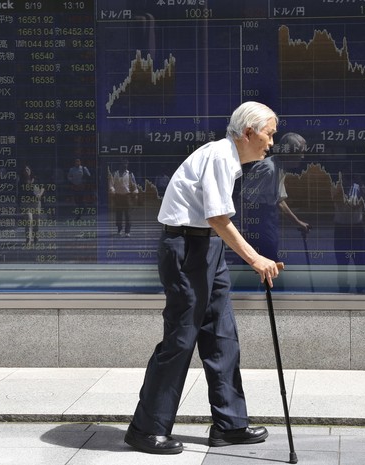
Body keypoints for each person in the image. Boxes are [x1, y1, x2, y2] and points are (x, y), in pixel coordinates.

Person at [124, 101, 282, 455]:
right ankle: (145, 429)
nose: (271, 143)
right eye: (269, 135)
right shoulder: (219, 157)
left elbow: (214, 226)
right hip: (186, 247)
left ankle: (230, 425)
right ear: (249, 132)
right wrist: (256, 259)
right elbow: (218, 218)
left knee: (222, 335)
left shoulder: (228, 161)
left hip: (207, 247)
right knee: (181, 339)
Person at [240, 132, 311, 260]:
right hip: (259, 221)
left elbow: (279, 200)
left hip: (269, 220)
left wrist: (297, 222)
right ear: (288, 153)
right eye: (299, 152)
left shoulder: (279, 168)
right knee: (265, 262)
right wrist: (244, 229)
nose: (302, 156)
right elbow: (245, 198)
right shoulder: (269, 169)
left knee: (267, 262)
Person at [330, 168, 365, 292]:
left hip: (354, 226)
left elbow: (364, 201)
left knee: (360, 260)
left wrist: (360, 184)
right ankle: (344, 286)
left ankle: (361, 286)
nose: (348, 180)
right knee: (342, 261)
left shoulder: (358, 188)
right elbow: (338, 200)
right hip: (343, 227)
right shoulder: (336, 187)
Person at [109, 158, 139, 237]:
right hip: (118, 196)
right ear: (120, 165)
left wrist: (135, 192)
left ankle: (127, 231)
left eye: (126, 164)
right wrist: (112, 191)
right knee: (118, 214)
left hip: (127, 196)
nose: (125, 165)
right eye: (123, 164)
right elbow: (111, 184)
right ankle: (119, 230)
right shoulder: (114, 174)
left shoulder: (130, 174)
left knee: (128, 215)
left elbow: (134, 185)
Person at [18, 165, 44, 246]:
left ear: (30, 170)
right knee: (28, 220)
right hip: (26, 203)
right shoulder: (21, 181)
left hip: (36, 203)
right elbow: (19, 193)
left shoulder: (36, 179)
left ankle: (36, 237)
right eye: (24, 170)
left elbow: (42, 187)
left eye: (27, 169)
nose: (26, 171)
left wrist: (40, 194)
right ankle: (28, 239)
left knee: (36, 222)